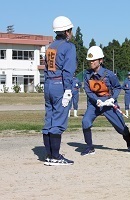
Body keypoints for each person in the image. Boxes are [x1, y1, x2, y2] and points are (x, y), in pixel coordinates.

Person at [81, 46, 130, 156]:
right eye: (89, 61)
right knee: (85, 122)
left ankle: (129, 144)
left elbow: (117, 87)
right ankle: (90, 147)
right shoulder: (87, 74)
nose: (91, 63)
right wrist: (96, 100)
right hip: (95, 104)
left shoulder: (109, 74)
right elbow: (88, 90)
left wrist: (112, 99)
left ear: (100, 60)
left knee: (121, 127)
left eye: (93, 60)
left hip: (108, 103)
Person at [42, 16, 77, 166]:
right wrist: (68, 90)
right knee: (58, 121)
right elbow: (68, 71)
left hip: (48, 83)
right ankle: (56, 157)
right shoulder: (69, 47)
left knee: (49, 120)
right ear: (67, 31)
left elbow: (45, 68)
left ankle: (50, 155)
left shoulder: (50, 47)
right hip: (60, 84)